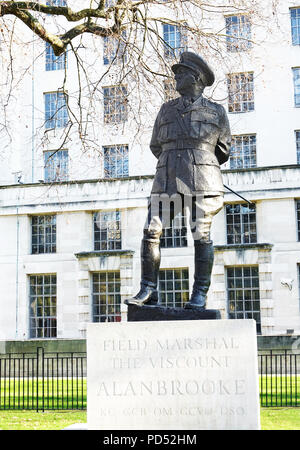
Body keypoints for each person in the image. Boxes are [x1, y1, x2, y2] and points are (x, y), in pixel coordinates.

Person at [127, 52, 231, 310]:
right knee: (151, 231)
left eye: (180, 73)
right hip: (167, 176)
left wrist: (197, 158)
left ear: (196, 77)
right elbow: (155, 145)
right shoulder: (166, 110)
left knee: (200, 234)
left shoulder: (216, 111)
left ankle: (199, 295)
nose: (175, 77)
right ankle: (148, 289)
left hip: (203, 180)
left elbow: (224, 149)